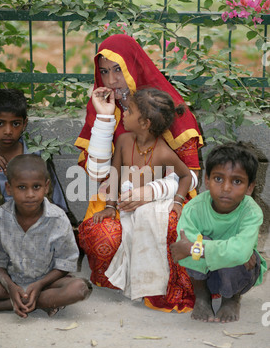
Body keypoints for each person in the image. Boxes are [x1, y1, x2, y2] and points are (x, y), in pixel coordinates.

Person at [75, 34, 203, 313]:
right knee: (101, 237)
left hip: (167, 199)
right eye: (104, 71)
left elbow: (191, 175)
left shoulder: (166, 107)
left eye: (118, 69)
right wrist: (106, 118)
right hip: (119, 198)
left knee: (169, 227)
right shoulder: (104, 110)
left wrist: (151, 192)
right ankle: (132, 279)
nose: (110, 81)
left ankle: (165, 284)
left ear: (133, 66)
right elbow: (99, 175)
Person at [92, 88, 198, 302]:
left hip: (150, 207)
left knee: (155, 227)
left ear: (145, 123)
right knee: (106, 232)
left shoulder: (163, 152)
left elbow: (186, 176)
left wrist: (178, 201)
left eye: (129, 111)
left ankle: (152, 282)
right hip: (125, 206)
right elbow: (114, 175)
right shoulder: (123, 141)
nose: (125, 114)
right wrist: (110, 206)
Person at [0, 154, 92, 318]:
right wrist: (10, 286)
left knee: (80, 288)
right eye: (21, 187)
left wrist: (40, 284)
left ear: (46, 186)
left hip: (48, 283)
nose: (30, 194)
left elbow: (66, 262)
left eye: (36, 187)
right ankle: (40, 302)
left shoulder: (58, 218)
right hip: (6, 282)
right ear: (9, 188)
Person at [170, 142, 267, 323]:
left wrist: (195, 248)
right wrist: (231, 250)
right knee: (203, 244)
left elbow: (238, 252)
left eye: (237, 181)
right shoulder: (194, 208)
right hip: (206, 277)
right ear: (207, 180)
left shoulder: (251, 212)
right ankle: (202, 296)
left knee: (237, 254)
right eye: (218, 179)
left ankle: (231, 299)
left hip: (240, 274)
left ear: (250, 187)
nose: (226, 188)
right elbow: (182, 246)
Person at [0, 88, 68, 244]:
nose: (8, 131)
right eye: (0, 123)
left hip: (33, 232)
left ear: (24, 124)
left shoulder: (37, 156)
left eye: (15, 124)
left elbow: (56, 204)